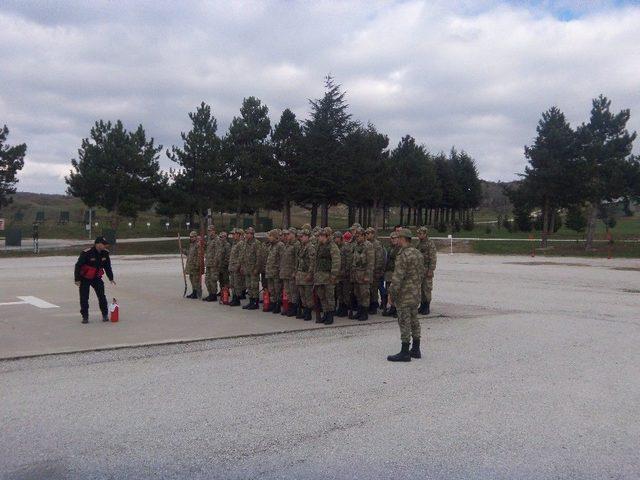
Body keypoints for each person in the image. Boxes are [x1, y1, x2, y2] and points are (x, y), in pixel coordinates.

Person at [387, 228, 425, 362]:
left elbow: (397, 278)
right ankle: (416, 349)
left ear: (403, 239)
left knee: (404, 321)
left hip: (404, 294)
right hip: (415, 293)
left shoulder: (403, 255)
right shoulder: (417, 253)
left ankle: (404, 352)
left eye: (398, 237)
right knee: (414, 320)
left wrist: (391, 294)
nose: (396, 240)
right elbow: (422, 274)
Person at [74, 236, 115, 324]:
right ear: (97, 244)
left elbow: (107, 267)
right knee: (84, 298)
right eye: (103, 244)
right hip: (85, 278)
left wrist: (111, 278)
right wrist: (77, 279)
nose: (105, 246)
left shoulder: (105, 253)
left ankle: (105, 314)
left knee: (102, 296)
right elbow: (78, 266)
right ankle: (85, 316)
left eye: (105, 244)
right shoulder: (87, 253)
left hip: (96, 278)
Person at [313, 227, 341, 324]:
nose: (318, 238)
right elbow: (315, 261)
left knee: (329, 296)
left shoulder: (332, 246)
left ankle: (330, 315)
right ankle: (325, 313)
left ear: (326, 236)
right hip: (319, 276)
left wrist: (334, 275)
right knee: (322, 296)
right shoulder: (319, 246)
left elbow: (336, 262)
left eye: (320, 236)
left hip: (328, 276)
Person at [350, 227, 374, 321]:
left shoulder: (368, 246)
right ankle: (359, 311)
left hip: (364, 274)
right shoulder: (356, 245)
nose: (357, 237)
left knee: (364, 294)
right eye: (356, 236)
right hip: (356, 274)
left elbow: (370, 262)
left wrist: (367, 276)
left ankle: (364, 313)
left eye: (359, 236)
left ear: (364, 236)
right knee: (358, 294)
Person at [295, 228, 315, 321]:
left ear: (307, 236)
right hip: (300, 274)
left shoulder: (310, 247)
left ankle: (308, 312)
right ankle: (305, 310)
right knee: (302, 294)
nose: (301, 238)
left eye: (302, 236)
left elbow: (312, 262)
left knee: (308, 294)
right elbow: (298, 261)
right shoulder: (302, 246)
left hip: (306, 273)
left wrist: (310, 274)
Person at [240, 226, 263, 310]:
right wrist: (242, 266)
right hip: (247, 268)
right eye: (246, 233)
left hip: (253, 269)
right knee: (249, 286)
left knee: (254, 286)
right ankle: (251, 301)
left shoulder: (256, 243)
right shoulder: (245, 243)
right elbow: (243, 255)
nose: (246, 235)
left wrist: (257, 268)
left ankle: (255, 303)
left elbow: (259, 257)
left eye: (248, 233)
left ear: (252, 234)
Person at [416, 226, 437, 314]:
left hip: (427, 269)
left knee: (427, 289)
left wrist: (431, 270)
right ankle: (422, 305)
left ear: (425, 234)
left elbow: (433, 258)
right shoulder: (419, 243)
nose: (419, 235)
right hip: (419, 270)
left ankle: (427, 306)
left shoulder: (430, 244)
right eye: (418, 234)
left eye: (420, 234)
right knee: (420, 289)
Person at [366, 227, 386, 314]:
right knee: (369, 289)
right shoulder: (367, 244)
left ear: (373, 234)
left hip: (375, 271)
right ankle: (371, 304)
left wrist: (377, 270)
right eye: (366, 233)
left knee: (374, 290)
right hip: (369, 271)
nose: (367, 235)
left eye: (368, 233)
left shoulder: (377, 244)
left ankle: (374, 306)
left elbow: (379, 259)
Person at [264, 229, 285, 313]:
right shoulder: (271, 246)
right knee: (271, 290)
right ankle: (272, 304)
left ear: (275, 237)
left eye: (270, 236)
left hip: (276, 272)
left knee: (277, 290)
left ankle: (278, 305)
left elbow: (282, 259)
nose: (269, 238)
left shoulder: (280, 245)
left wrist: (280, 270)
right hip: (270, 272)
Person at [279, 229, 298, 317]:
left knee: (293, 291)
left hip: (291, 272)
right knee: (287, 291)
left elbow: (297, 260)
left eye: (288, 234)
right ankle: (289, 307)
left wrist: (295, 271)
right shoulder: (287, 245)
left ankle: (294, 308)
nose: (287, 236)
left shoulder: (296, 245)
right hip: (285, 272)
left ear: (293, 234)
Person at [335, 231, 353, 318]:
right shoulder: (336, 247)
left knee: (346, 292)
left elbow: (349, 261)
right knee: (339, 292)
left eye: (337, 238)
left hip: (345, 274)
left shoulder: (346, 247)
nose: (335, 239)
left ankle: (346, 309)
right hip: (338, 274)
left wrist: (346, 271)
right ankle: (341, 307)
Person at [382, 231, 399, 317]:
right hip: (388, 273)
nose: (393, 240)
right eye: (392, 238)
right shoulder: (389, 248)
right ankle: (392, 307)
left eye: (395, 238)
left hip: (396, 272)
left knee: (396, 291)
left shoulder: (400, 248)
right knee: (389, 291)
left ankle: (396, 309)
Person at [203, 225, 222, 302]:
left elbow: (219, 252)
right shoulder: (209, 240)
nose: (210, 232)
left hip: (214, 264)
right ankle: (210, 293)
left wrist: (216, 262)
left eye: (211, 231)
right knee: (207, 280)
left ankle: (213, 295)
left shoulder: (217, 240)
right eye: (208, 231)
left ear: (214, 231)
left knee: (213, 280)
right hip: (208, 263)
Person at [228, 228, 245, 306]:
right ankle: (234, 298)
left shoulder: (241, 243)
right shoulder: (235, 243)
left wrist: (239, 266)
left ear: (239, 235)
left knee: (237, 284)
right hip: (232, 267)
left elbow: (241, 257)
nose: (233, 236)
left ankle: (237, 299)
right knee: (232, 284)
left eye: (234, 234)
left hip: (236, 267)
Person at [185, 230, 203, 299]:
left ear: (195, 237)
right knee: (192, 279)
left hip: (195, 266)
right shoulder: (192, 245)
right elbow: (190, 254)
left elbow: (199, 255)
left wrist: (197, 264)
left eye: (192, 237)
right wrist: (184, 251)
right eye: (190, 237)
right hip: (191, 265)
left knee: (196, 280)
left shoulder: (198, 245)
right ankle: (194, 291)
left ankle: (197, 293)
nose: (191, 238)